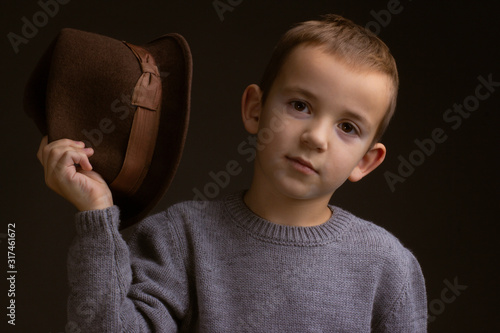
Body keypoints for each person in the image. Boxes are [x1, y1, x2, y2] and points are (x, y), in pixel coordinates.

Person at [37, 14, 427, 332]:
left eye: (347, 127)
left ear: (366, 160)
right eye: (300, 105)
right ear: (255, 108)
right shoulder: (179, 239)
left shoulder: (387, 266)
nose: (316, 137)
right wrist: (96, 216)